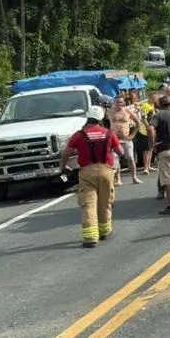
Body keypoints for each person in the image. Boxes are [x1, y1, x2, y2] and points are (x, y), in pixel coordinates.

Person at [59, 105, 121, 248]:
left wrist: (63, 168)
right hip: (106, 170)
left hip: (87, 173)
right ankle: (105, 230)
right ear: (101, 119)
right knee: (105, 201)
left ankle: (91, 237)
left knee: (88, 204)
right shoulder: (109, 133)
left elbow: (66, 153)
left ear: (88, 118)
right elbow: (120, 152)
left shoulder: (79, 135)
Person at [109, 95, 142, 186]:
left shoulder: (127, 111)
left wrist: (133, 134)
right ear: (114, 103)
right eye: (117, 102)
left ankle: (134, 177)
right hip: (114, 139)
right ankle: (118, 179)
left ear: (123, 103)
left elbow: (138, 123)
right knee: (115, 159)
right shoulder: (110, 112)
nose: (119, 104)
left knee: (130, 158)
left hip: (126, 138)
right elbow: (102, 122)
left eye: (121, 102)